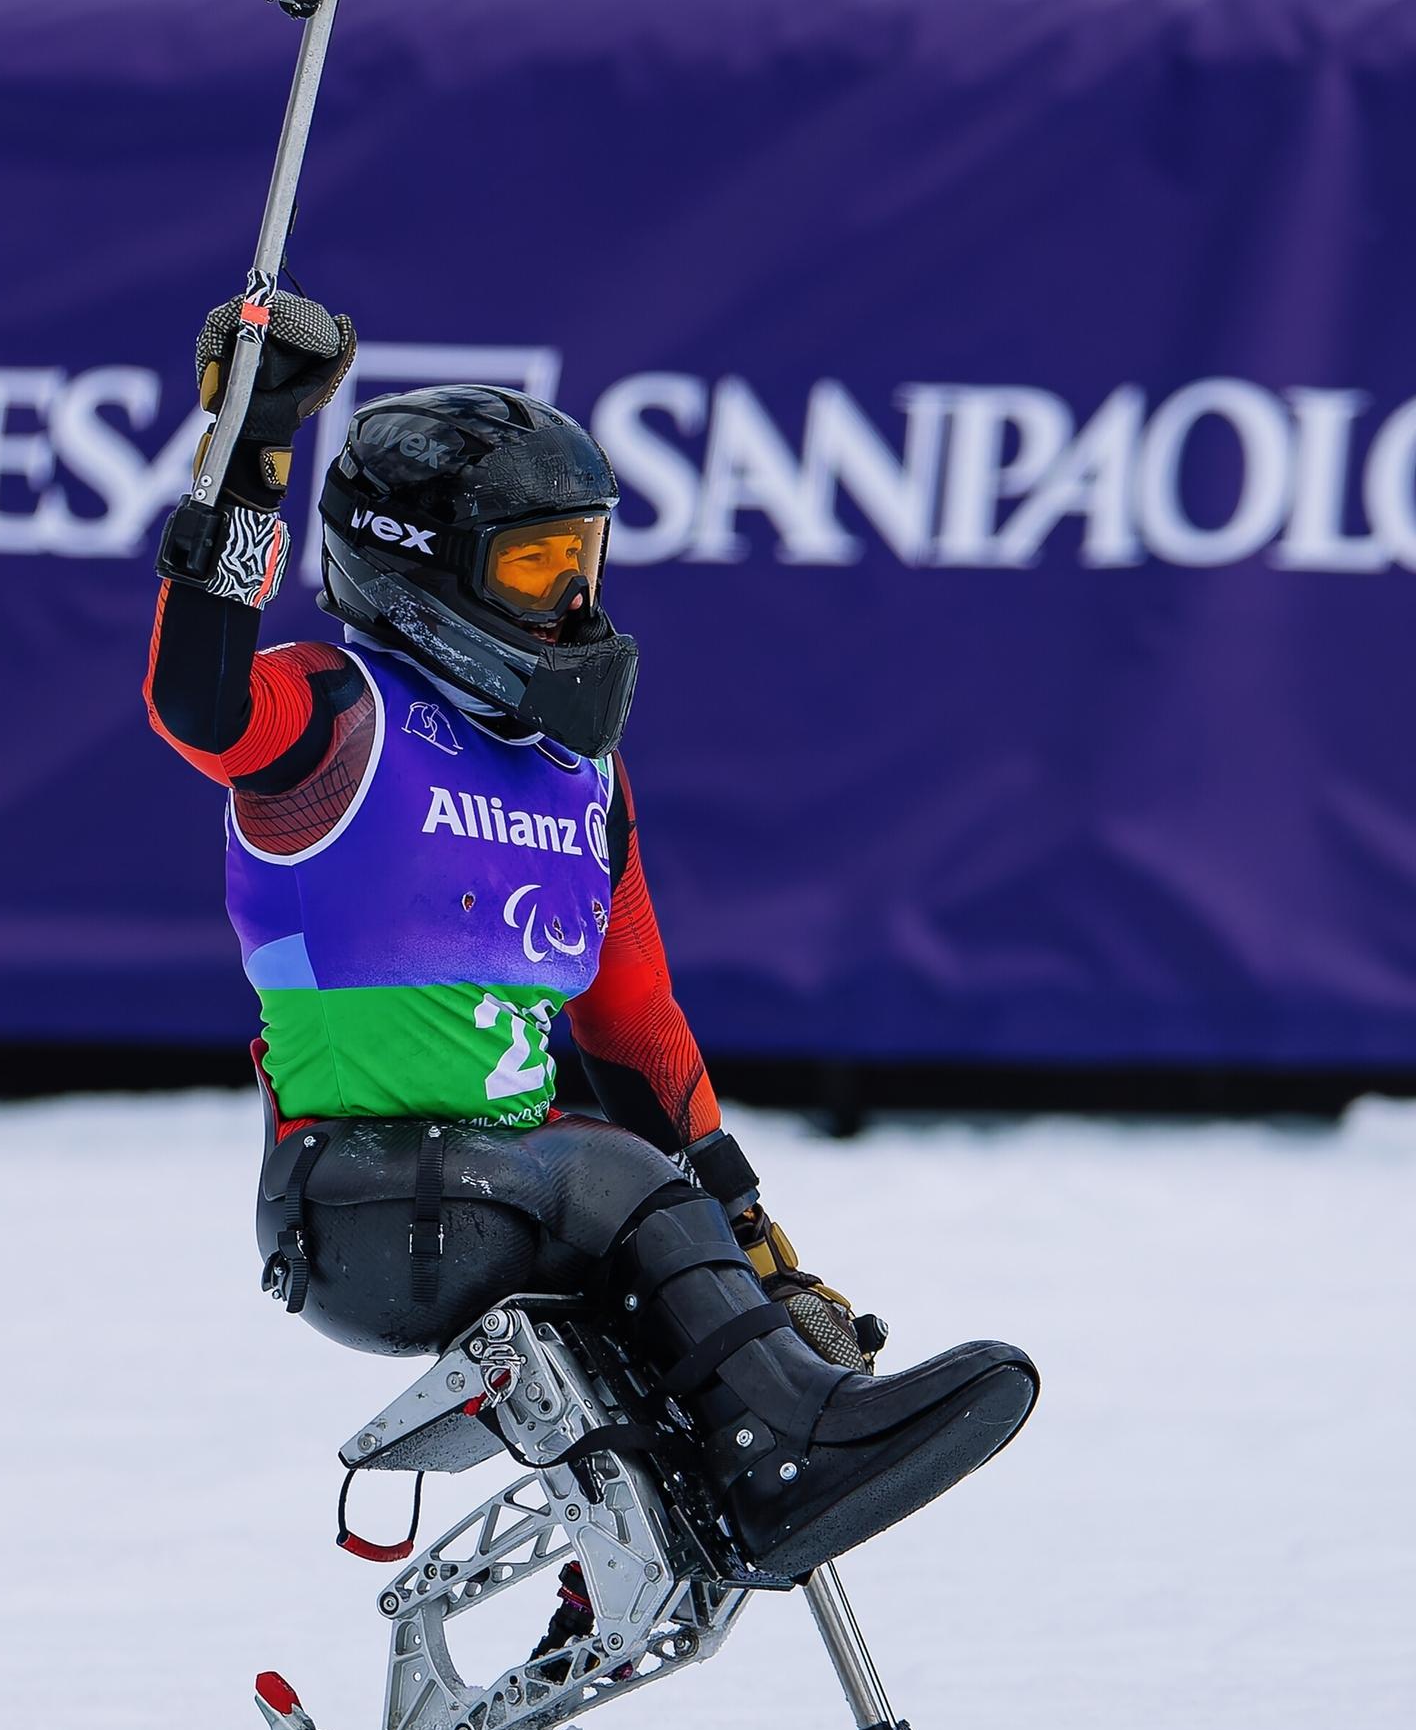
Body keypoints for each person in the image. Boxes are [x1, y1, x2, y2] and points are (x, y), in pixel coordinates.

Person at [140, 288, 1036, 1583]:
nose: (570, 601)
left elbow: (636, 1030)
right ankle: (799, 1447)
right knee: (620, 1178)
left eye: (584, 561)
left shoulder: (581, 779)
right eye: (531, 565)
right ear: (422, 570)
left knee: (639, 1255)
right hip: (359, 1204)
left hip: (512, 1186)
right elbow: (196, 700)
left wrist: (760, 1245)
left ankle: (610, 1616)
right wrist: (253, 449)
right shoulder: (337, 718)